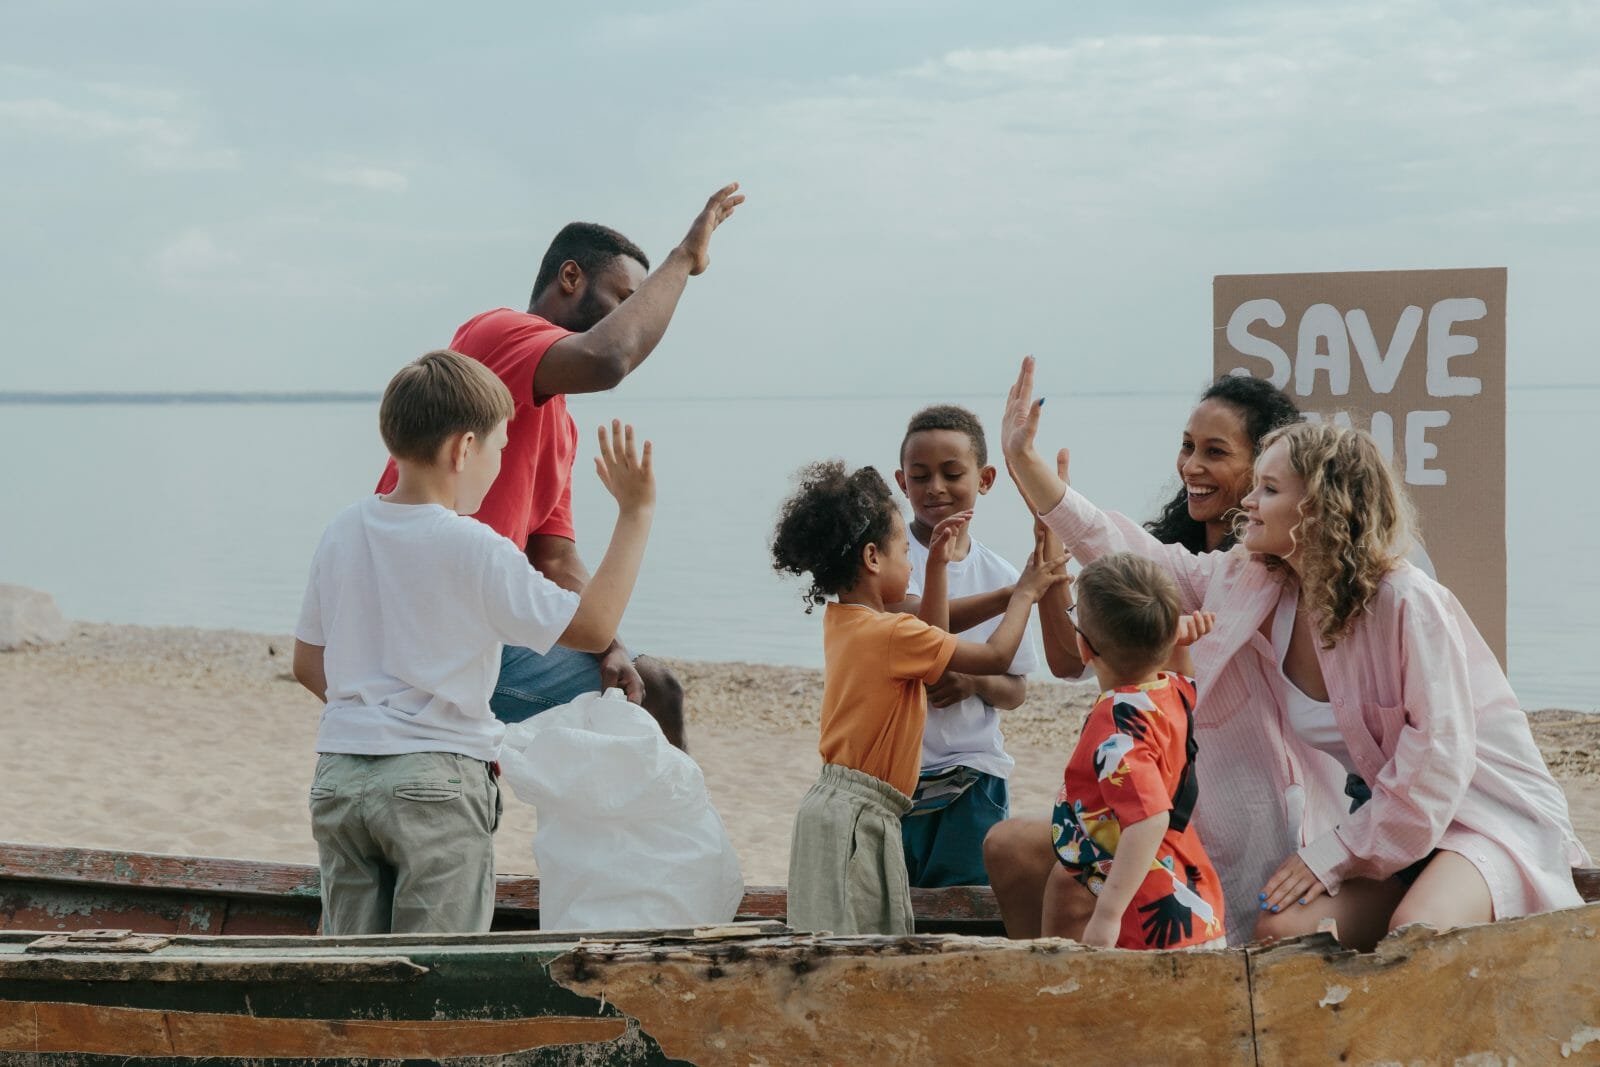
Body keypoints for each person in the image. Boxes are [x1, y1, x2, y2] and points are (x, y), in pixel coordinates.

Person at [1001, 355, 1590, 949]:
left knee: (1416, 935)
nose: (1248, 504)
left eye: (1269, 488)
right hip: (1379, 820)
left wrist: (1330, 855)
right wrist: (1028, 465)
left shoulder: (1407, 602)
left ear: (1318, 507)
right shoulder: (1254, 579)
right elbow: (1134, 555)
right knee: (1279, 932)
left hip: (1476, 815)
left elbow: (1438, 762)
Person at [293, 350, 656, 934]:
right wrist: (635, 514)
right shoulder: (474, 546)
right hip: (434, 785)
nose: (502, 460)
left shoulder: (342, 531)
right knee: (435, 976)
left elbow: (309, 664)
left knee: (350, 969)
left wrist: (378, 716)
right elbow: (591, 627)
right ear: (464, 449)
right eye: (501, 447)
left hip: (340, 779)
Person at [376, 183, 745, 750]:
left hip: (485, 634)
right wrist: (684, 259)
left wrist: (609, 644)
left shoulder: (560, 422)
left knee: (650, 687)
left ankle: (659, 836)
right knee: (653, 695)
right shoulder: (498, 335)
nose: (632, 316)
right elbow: (608, 358)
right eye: (625, 298)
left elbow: (554, 555)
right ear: (571, 278)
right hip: (430, 641)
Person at [991, 374, 1300, 935]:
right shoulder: (1178, 558)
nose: (1191, 466)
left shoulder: (1266, 571)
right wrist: (1042, 511)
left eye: (1215, 452)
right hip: (1147, 800)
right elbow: (1076, 651)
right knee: (1013, 848)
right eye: (1187, 447)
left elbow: (1100, 540)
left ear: (1268, 470)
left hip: (1224, 823)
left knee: (1067, 882)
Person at [770, 461, 1066, 935]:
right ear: (872, 558)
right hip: (864, 815)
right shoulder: (892, 633)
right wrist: (1024, 598)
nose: (910, 561)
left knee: (827, 946)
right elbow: (994, 654)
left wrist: (937, 566)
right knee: (870, 951)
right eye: (905, 550)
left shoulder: (845, 621)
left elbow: (929, 630)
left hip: (826, 808)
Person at [1043, 552, 1224, 950]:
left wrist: (1107, 915)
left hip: (1148, 917)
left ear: (1083, 648)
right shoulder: (1170, 691)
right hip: (1191, 893)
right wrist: (1180, 645)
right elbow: (1182, 673)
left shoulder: (1117, 728)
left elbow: (1149, 818)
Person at [892, 405, 1039, 888]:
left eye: (952, 473)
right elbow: (905, 624)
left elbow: (1016, 688)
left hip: (973, 778)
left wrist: (971, 681)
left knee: (967, 907)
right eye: (920, 476)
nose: (935, 487)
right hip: (892, 775)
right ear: (901, 482)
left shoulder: (1000, 573)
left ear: (986, 478)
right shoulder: (888, 563)